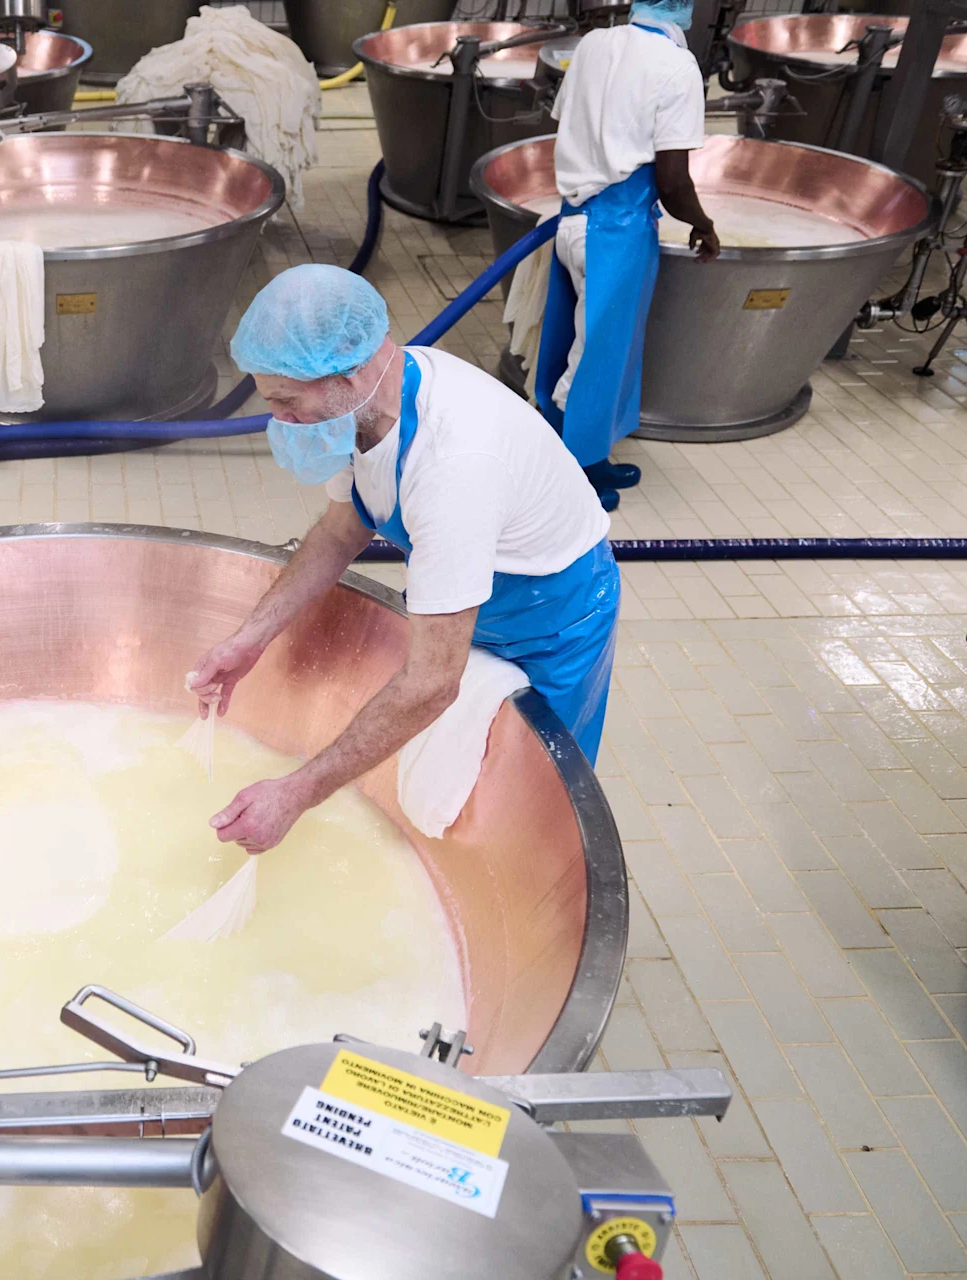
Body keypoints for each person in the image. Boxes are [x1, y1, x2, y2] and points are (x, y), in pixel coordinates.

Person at [192, 266, 619, 855]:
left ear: (348, 371)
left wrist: (295, 794)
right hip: (479, 597)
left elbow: (433, 682)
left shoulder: (454, 466)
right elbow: (343, 528)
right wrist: (251, 639)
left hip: (553, 622)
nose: (281, 424)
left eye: (288, 404)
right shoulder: (364, 408)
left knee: (526, 814)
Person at [533, 0, 720, 511]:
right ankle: (565, 473)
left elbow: (568, 124)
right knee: (599, 355)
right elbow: (674, 180)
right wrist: (702, 224)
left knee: (569, 341)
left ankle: (588, 457)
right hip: (617, 230)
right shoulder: (678, 66)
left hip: (572, 217)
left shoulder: (593, 44)